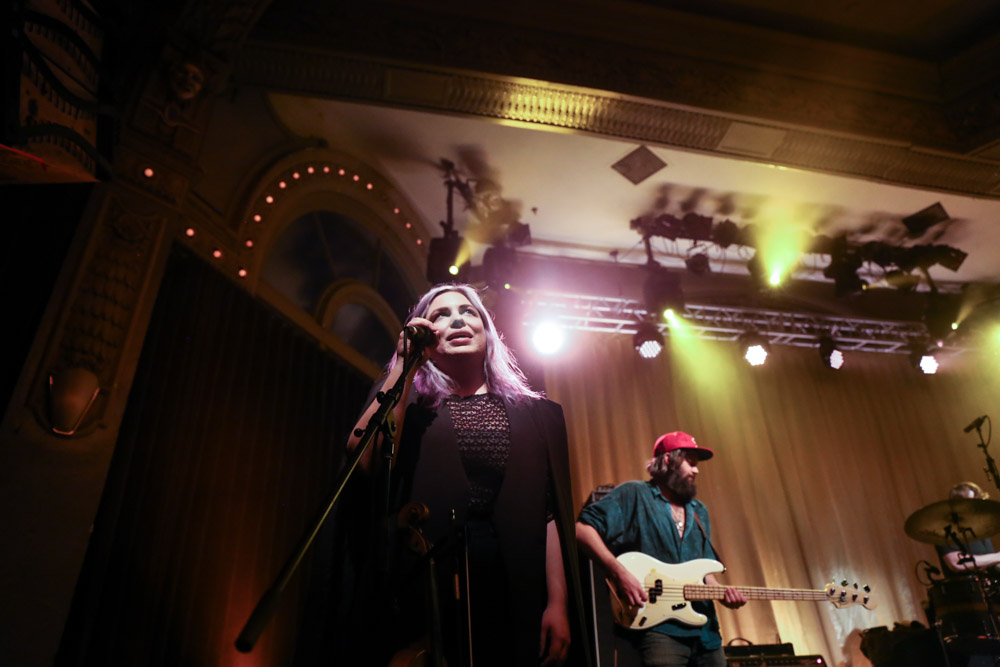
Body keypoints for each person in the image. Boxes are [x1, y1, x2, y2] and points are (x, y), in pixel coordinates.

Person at [346, 283, 585, 667]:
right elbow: (363, 457)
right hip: (426, 579)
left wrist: (557, 604)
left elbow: (549, 515)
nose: (457, 318)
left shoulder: (537, 415)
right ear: (427, 335)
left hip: (511, 577)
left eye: (468, 311)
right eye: (440, 315)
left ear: (488, 331)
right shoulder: (409, 405)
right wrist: (403, 366)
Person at [576, 431, 746, 667]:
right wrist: (618, 572)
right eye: (690, 463)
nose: (696, 470)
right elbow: (582, 530)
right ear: (668, 460)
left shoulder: (699, 511)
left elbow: (706, 569)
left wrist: (722, 594)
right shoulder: (634, 494)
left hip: (707, 635)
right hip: (660, 632)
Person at [936, 482, 1000, 573]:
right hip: (966, 586)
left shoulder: (981, 530)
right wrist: (997, 557)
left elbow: (989, 564)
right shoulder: (946, 530)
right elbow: (956, 563)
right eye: (974, 502)